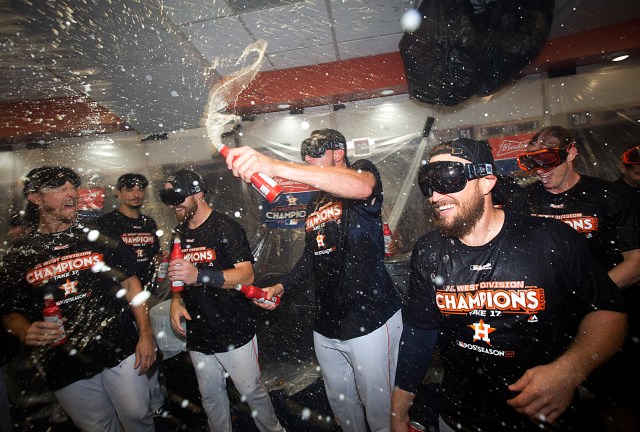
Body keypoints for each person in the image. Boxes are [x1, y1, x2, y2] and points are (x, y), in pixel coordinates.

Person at [391, 138, 627, 432]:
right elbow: (420, 331)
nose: (435, 195)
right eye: (427, 183)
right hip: (460, 413)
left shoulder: (550, 239)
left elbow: (609, 311)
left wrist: (569, 370)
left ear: (487, 181)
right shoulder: (429, 250)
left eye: (448, 178)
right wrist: (399, 410)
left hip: (543, 416)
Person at [225, 128, 403, 432]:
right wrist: (281, 286)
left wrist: (273, 166)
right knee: (343, 409)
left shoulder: (362, 173)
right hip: (327, 323)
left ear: (339, 152)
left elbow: (361, 187)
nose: (308, 157)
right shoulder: (317, 202)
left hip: (370, 317)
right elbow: (312, 255)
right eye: (305, 151)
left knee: (381, 412)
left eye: (317, 150)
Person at [0, 166, 157, 432]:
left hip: (118, 350)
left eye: (73, 187)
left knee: (138, 416)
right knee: (98, 428)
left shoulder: (96, 237)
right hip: (63, 363)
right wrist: (24, 329)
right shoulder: (21, 254)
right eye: (61, 189)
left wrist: (145, 334)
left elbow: (130, 282)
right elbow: (8, 310)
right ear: (36, 198)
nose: (72, 193)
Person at [515, 126, 640, 430]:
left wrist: (583, 296)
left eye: (547, 161)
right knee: (548, 405)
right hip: (548, 323)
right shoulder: (524, 201)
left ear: (571, 153)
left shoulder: (611, 196)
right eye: (532, 163)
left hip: (602, 319)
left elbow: (636, 262)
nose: (540, 172)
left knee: (617, 400)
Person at [159, 168, 285, 432]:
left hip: (232, 327)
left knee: (251, 392)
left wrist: (200, 275)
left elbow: (246, 275)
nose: (174, 206)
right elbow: (179, 276)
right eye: (169, 199)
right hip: (198, 331)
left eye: (178, 198)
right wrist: (176, 300)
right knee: (211, 398)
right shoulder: (179, 233)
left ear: (198, 194)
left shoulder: (225, 227)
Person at [95, 173, 167, 417]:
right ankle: (133, 405)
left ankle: (155, 405)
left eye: (140, 189)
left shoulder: (148, 223)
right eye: (129, 189)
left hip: (149, 296)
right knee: (129, 355)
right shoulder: (106, 224)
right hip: (119, 303)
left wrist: (160, 261)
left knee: (151, 349)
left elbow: (155, 256)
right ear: (118, 193)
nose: (135, 194)